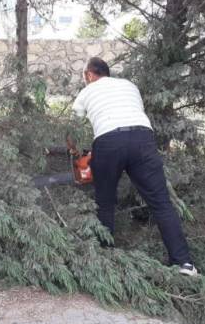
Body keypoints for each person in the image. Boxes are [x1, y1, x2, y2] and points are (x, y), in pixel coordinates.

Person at [72, 57, 198, 276]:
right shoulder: (130, 86)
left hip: (108, 143)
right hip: (143, 139)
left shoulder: (86, 92)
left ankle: (106, 259)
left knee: (105, 203)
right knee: (161, 203)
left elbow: (75, 125)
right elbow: (129, 118)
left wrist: (76, 151)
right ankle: (184, 263)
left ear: (89, 75)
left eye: (85, 77)